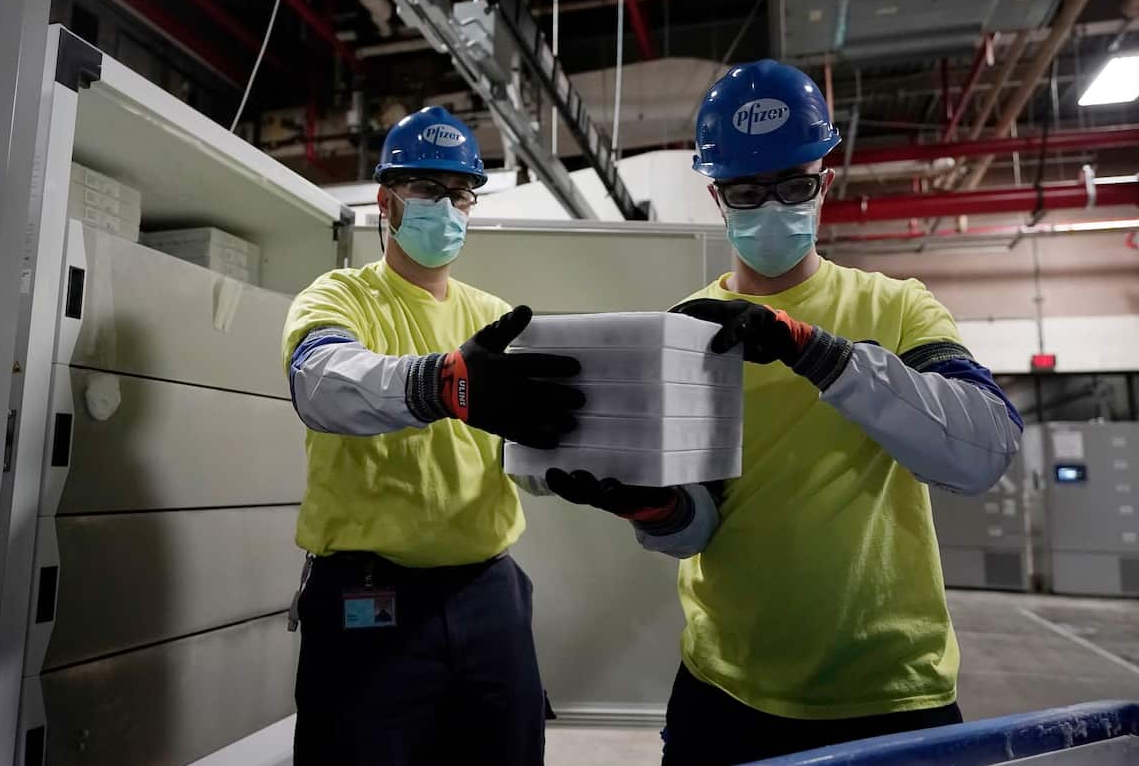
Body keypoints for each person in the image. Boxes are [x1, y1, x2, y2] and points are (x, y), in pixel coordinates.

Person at [543, 60, 1024, 765]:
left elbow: (983, 451)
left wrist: (822, 355)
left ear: (825, 180)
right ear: (716, 195)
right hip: (727, 689)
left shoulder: (896, 306)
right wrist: (654, 508)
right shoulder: (687, 327)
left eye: (793, 185)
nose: (772, 207)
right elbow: (697, 526)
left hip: (893, 694)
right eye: (746, 190)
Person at [282, 106, 583, 766]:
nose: (445, 207)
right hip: (370, 600)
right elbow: (323, 383)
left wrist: (572, 465)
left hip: (489, 593)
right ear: (386, 201)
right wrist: (440, 382)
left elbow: (522, 449)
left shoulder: (494, 318)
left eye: (460, 193)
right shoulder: (339, 298)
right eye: (426, 189)